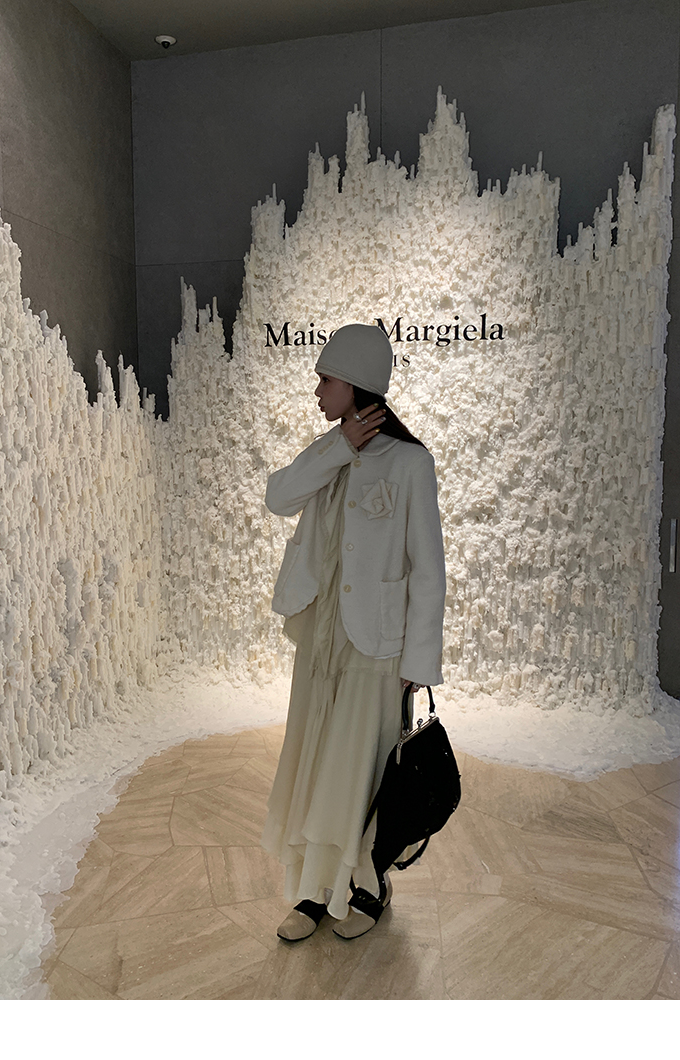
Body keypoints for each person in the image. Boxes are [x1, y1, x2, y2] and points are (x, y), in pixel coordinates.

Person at [261, 323, 446, 940]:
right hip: (321, 641)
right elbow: (278, 498)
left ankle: (367, 883)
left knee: (364, 770)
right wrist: (337, 446)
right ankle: (315, 889)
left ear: (356, 383)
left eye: (326, 380)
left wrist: (419, 660)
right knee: (317, 763)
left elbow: (429, 569)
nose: (317, 391)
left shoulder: (411, 463)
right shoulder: (329, 452)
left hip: (378, 646)